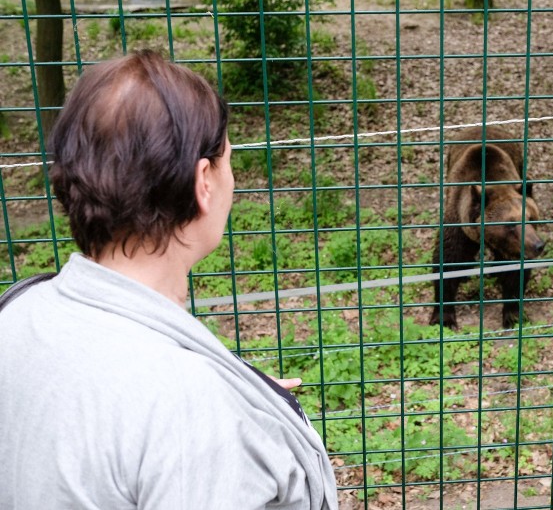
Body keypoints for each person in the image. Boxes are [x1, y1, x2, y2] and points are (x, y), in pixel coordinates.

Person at [0, 51, 338, 509]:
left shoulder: (18, 313)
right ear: (204, 182)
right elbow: (169, 420)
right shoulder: (190, 413)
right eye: (228, 162)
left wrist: (235, 403)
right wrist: (211, 415)